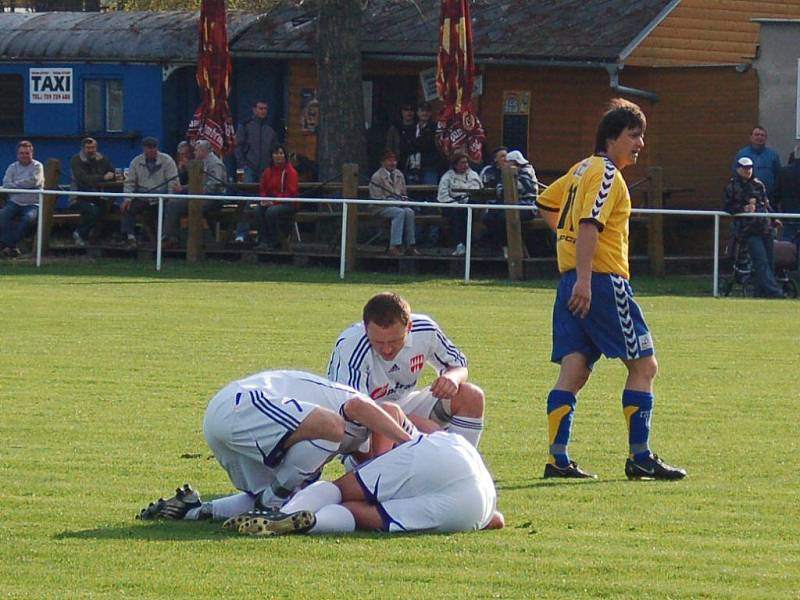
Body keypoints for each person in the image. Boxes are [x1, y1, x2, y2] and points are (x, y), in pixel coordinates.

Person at [535, 98, 686, 481]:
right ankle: (640, 456)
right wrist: (587, 277)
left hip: (571, 280)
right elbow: (588, 223)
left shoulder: (580, 168)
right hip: (601, 282)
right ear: (612, 137)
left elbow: (546, 204)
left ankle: (557, 459)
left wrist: (569, 249)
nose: (640, 144)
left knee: (574, 369)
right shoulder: (606, 174)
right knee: (644, 365)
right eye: (634, 135)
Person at [137, 369, 413, 522]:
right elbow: (368, 409)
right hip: (242, 403)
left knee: (288, 492)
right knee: (331, 427)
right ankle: (271, 507)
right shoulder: (364, 407)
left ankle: (192, 510)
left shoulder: (347, 447)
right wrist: (409, 443)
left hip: (228, 422)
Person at [228, 431, 504, 536]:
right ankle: (313, 522)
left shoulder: (420, 445)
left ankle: (281, 515)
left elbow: (395, 437)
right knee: (373, 515)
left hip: (439, 454)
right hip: (474, 508)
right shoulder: (482, 495)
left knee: (341, 490)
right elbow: (497, 520)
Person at [327, 292, 485, 448]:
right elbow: (354, 410)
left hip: (405, 406)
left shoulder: (425, 330)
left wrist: (452, 378)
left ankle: (463, 464)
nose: (387, 349)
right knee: (389, 414)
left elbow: (459, 366)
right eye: (378, 342)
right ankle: (379, 469)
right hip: (363, 427)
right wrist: (410, 423)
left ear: (409, 326)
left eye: (395, 340)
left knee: (471, 395)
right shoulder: (351, 345)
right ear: (366, 328)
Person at [724, 156, 784, 298]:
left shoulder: (758, 184)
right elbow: (728, 207)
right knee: (760, 260)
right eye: (744, 168)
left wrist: (775, 218)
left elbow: (766, 204)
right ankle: (775, 293)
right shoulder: (732, 186)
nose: (747, 170)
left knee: (769, 261)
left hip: (764, 227)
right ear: (738, 168)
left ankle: (761, 292)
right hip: (747, 230)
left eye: (750, 168)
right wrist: (742, 209)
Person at [163, 140, 226, 248]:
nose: (194, 153)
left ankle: (170, 237)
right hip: (199, 197)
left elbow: (214, 186)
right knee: (172, 202)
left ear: (203, 151)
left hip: (213, 199)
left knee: (174, 205)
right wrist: (182, 188)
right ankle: (172, 236)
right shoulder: (199, 163)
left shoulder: (215, 164)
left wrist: (188, 190)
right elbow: (197, 184)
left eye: (196, 150)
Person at [121, 137, 180, 248]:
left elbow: (173, 181)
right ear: (144, 148)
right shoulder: (136, 162)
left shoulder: (167, 161)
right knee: (127, 209)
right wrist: (127, 199)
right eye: (149, 148)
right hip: (143, 196)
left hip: (161, 197)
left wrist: (171, 197)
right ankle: (130, 237)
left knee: (168, 211)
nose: (152, 150)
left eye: (154, 147)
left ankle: (167, 238)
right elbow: (130, 182)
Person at [482, 149, 539, 257]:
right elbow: (500, 190)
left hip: (527, 207)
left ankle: (509, 248)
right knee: (488, 218)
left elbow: (519, 189)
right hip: (510, 205)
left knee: (503, 218)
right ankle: (502, 245)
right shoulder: (506, 173)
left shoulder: (527, 171)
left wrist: (507, 185)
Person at [368, 150, 419, 256]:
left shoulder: (399, 175)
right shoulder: (376, 177)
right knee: (399, 213)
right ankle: (394, 246)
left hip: (398, 205)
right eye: (389, 160)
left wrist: (404, 200)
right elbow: (376, 199)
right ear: (382, 162)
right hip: (379, 208)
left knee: (409, 212)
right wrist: (394, 202)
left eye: (394, 160)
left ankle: (410, 245)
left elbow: (403, 193)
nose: (393, 163)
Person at [0, 140, 44, 258]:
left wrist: (16, 184)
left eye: (27, 153)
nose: (24, 155)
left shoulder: (37, 166)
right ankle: (12, 247)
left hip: (33, 203)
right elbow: (6, 184)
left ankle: (6, 245)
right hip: (14, 202)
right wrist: (24, 184)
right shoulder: (12, 167)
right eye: (21, 153)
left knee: (29, 219)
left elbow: (35, 181)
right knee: (2, 215)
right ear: (17, 154)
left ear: (31, 153)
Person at [69, 137, 115, 246]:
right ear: (83, 148)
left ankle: (96, 236)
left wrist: (111, 174)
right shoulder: (76, 160)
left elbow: (112, 171)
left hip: (98, 195)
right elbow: (83, 178)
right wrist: (103, 177)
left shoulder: (102, 158)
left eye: (93, 147)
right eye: (88, 148)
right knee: (93, 211)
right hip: (79, 197)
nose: (91, 150)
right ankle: (79, 233)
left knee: (111, 207)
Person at [254, 145, 300, 251]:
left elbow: (291, 192)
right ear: (272, 155)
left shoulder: (290, 172)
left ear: (285, 155)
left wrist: (274, 201)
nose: (278, 156)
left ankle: (275, 242)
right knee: (258, 210)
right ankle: (263, 241)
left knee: (271, 212)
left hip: (288, 204)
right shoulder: (267, 171)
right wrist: (264, 199)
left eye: (280, 153)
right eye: (275, 153)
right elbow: (263, 189)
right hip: (272, 202)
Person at [437, 152, 482, 256]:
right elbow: (442, 195)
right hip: (452, 205)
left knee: (468, 212)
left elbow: (480, 191)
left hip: (471, 205)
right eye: (462, 163)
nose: (465, 165)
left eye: (466, 162)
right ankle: (460, 244)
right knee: (458, 214)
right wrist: (456, 203)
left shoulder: (474, 175)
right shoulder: (447, 177)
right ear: (455, 164)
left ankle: (468, 244)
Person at [234, 99, 278, 184]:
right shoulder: (245, 126)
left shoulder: (271, 129)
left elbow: (274, 148)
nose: (263, 111)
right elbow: (237, 146)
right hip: (249, 168)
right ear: (254, 110)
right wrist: (243, 163)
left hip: (266, 169)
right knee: (248, 194)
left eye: (265, 109)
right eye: (260, 108)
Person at [734, 126, 781, 200]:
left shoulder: (773, 155)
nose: (759, 137)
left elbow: (778, 176)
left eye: (762, 135)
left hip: (769, 197)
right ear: (750, 137)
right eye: (757, 135)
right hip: (746, 197)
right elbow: (736, 174)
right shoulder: (742, 154)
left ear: (766, 138)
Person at [385, 101, 418, 175]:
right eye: (406, 109)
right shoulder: (394, 128)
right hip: (399, 163)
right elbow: (389, 147)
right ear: (401, 112)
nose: (409, 112)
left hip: (415, 163)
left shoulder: (419, 127)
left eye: (411, 109)